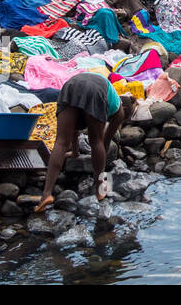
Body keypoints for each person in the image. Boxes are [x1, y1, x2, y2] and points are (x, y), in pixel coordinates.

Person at [33, 72, 135, 213]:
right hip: (95, 90)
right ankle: (100, 188)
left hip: (71, 85)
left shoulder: (112, 95)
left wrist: (75, 152)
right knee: (96, 142)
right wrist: (105, 165)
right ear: (125, 109)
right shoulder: (119, 110)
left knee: (61, 142)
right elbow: (104, 143)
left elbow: (75, 128)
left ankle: (46, 194)